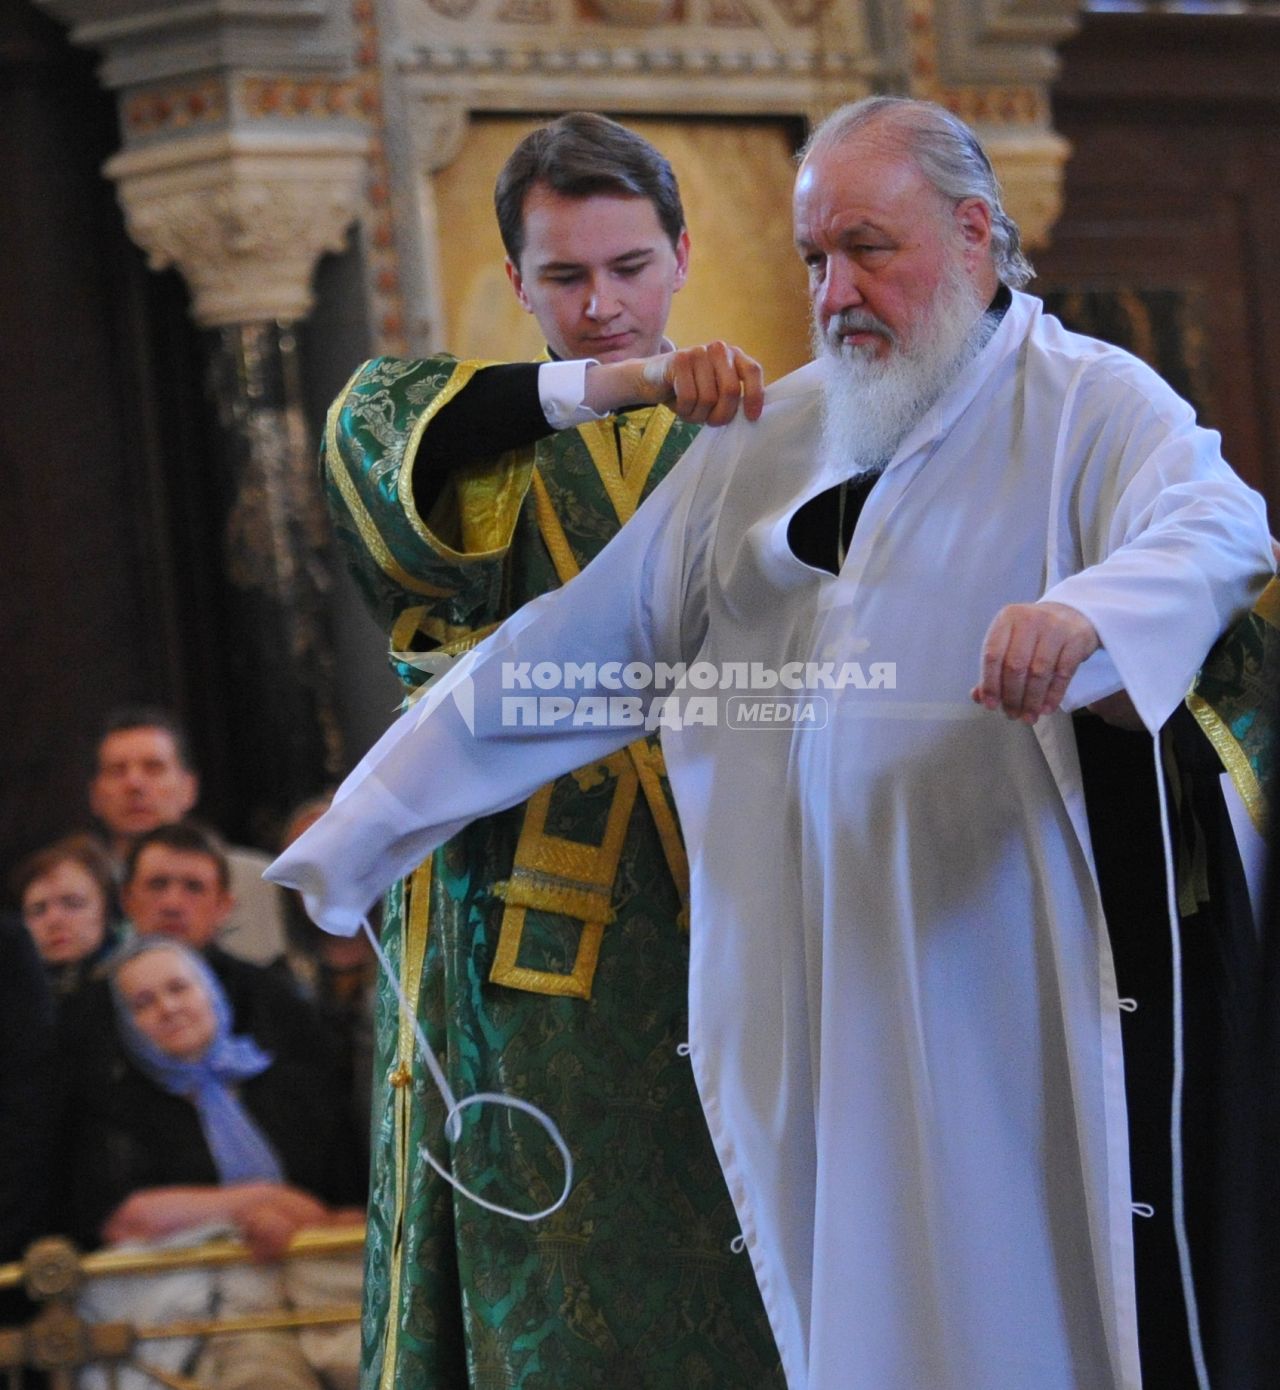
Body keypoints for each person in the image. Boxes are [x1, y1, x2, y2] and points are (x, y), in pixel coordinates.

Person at [270, 97, 1276, 1390]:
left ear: (975, 234)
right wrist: (358, 835)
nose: (837, 289)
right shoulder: (779, 435)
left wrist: (1088, 610)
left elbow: (1219, 526)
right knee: (856, 1327)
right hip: (819, 1007)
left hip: (998, 985)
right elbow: (577, 653)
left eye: (870, 247)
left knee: (1027, 1315)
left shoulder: (1087, 403)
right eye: (815, 259)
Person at [319, 112, 777, 1386]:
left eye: (629, 269)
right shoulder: (468, 442)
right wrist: (621, 385)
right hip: (538, 959)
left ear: (682, 255)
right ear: (516, 283)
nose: (600, 304)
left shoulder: (762, 444)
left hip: (749, 927)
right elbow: (376, 434)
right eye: (565, 277)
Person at [66, 937, 363, 1390]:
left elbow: (354, 1202)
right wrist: (261, 1202)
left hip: (321, 1292)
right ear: (125, 1025)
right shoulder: (113, 1106)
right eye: (143, 1003)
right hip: (207, 1313)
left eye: (179, 988)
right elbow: (123, 1218)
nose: (168, 1008)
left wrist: (301, 1223)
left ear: (211, 992)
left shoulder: (292, 1082)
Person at [89, 706, 290, 967]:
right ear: (94, 795)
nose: (134, 784)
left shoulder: (261, 881)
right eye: (117, 771)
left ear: (189, 788)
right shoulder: (76, 892)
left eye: (153, 768)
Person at [12, 833, 120, 999]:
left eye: (73, 903)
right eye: (38, 910)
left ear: (106, 910)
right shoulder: (13, 996)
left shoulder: (135, 981)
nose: (54, 920)